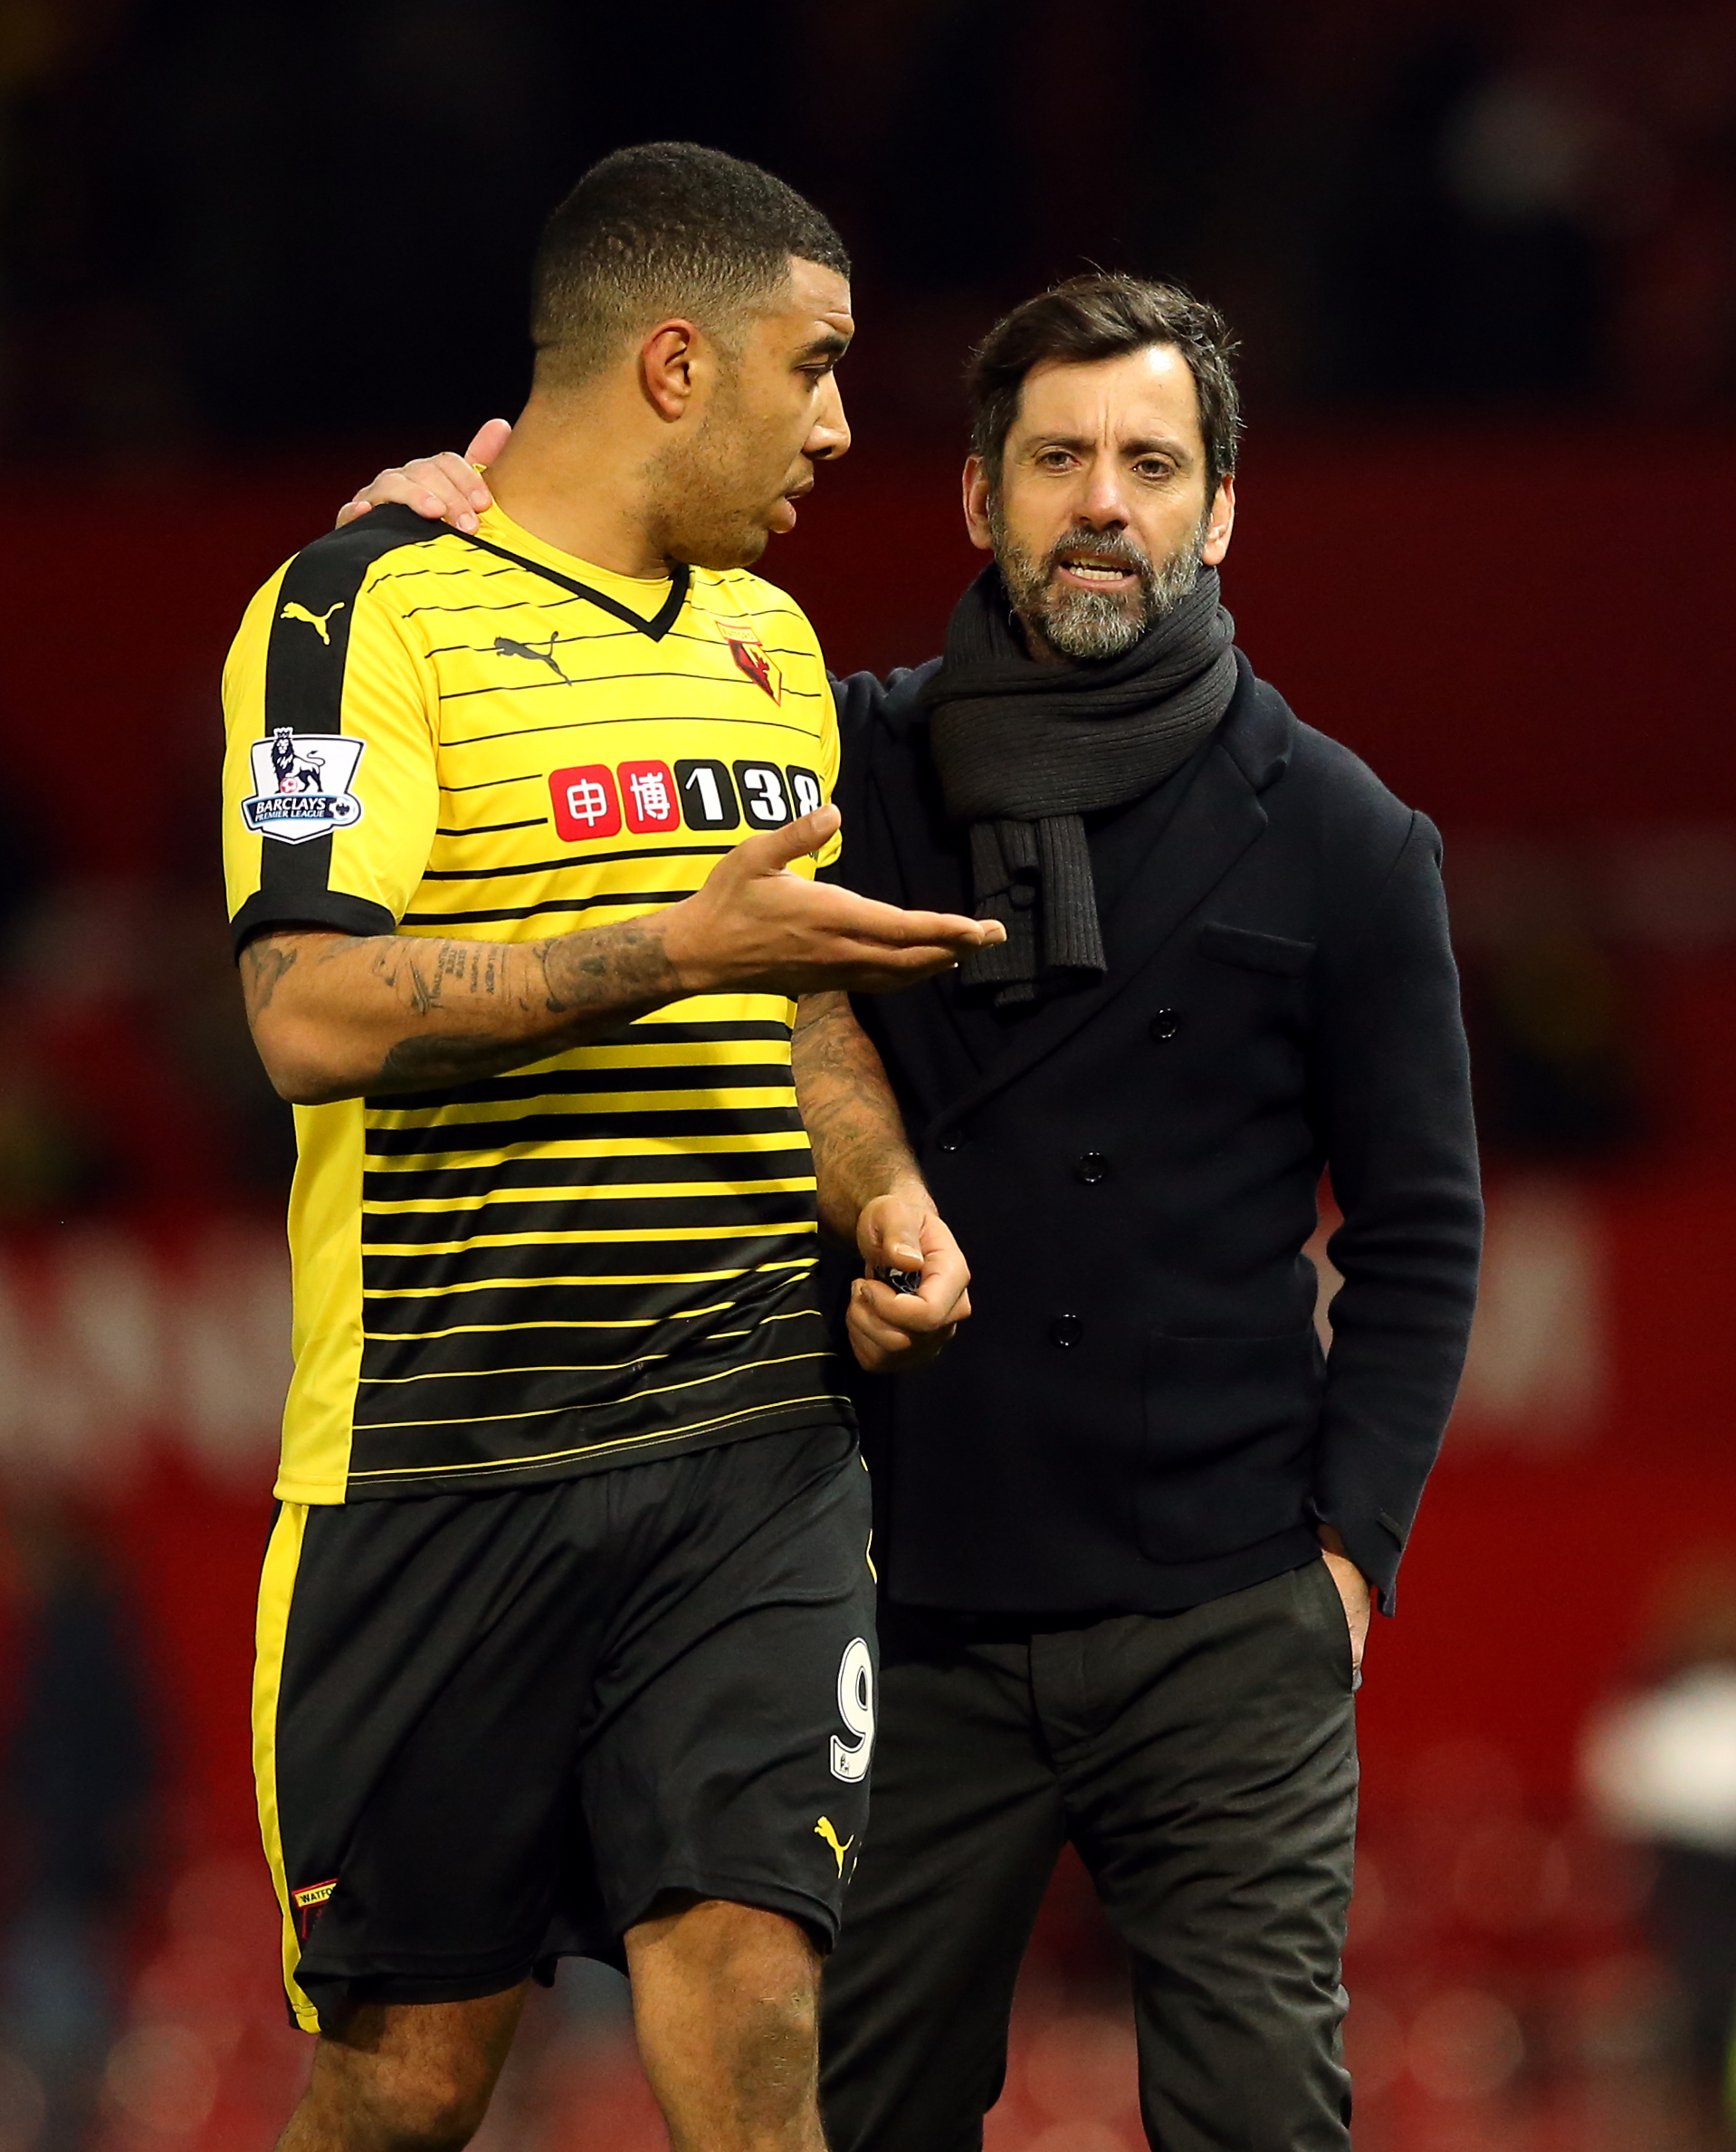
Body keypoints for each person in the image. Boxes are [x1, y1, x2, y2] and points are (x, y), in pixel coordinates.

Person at [348, 269, 1483, 2150]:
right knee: (859, 2122)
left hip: (1222, 1619)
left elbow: (1420, 1236)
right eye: (1054, 457)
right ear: (976, 497)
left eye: (1146, 460)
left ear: (1218, 510)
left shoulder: (1345, 837)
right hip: (900, 1607)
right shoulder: (831, 765)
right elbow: (580, 762)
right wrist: (419, 561)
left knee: (1264, 2120)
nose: (1098, 499)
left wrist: (1340, 1573)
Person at [222, 141, 1003, 2152]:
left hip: (748, 1445)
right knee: (407, 2082)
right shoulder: (349, 608)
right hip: (439, 1462)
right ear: (674, 361)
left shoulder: (768, 645)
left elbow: (799, 994)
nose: (840, 422)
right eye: (808, 365)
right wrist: (675, 937)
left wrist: (881, 1188)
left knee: (752, 1987)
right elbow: (303, 1009)